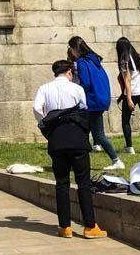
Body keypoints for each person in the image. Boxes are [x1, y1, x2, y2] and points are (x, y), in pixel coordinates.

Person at [33, 59, 107, 239]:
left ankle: (64, 227)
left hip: (56, 139)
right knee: (83, 182)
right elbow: (84, 110)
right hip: (77, 138)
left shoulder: (44, 88)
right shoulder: (76, 89)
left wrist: (44, 123)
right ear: (69, 72)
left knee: (62, 183)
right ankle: (90, 226)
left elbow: (36, 108)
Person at [66, 36, 125, 170]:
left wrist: (76, 93)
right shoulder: (94, 59)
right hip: (101, 98)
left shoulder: (81, 62)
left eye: (71, 48)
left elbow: (85, 83)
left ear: (75, 49)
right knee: (86, 131)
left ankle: (116, 160)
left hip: (92, 100)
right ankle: (79, 162)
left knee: (98, 134)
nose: (70, 51)